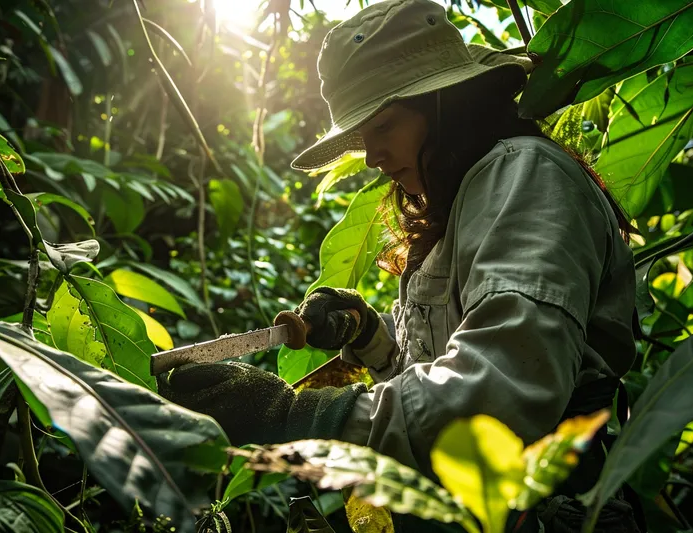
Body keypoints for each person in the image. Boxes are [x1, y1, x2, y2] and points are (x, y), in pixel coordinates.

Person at [158, 0, 642, 530]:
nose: (371, 157)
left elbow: (499, 390)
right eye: (364, 136)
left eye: (383, 126)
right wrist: (369, 335)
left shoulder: (524, 175)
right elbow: (439, 364)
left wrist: (298, 418)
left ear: (444, 104)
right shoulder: (472, 192)